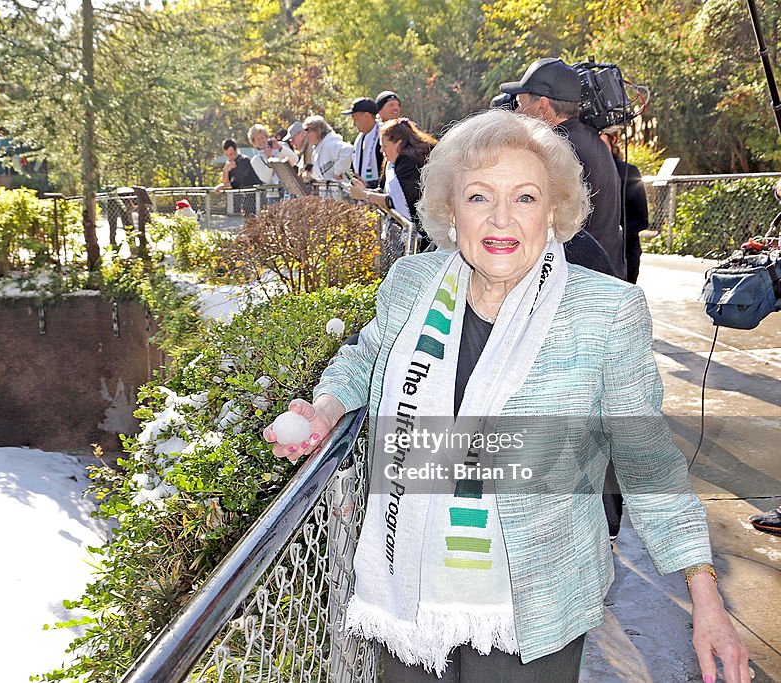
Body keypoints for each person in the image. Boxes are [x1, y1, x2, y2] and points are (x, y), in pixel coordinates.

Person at [264, 109, 749, 682]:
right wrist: (325, 409)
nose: (501, 219)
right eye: (478, 197)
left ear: (553, 210)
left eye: (524, 197)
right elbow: (365, 357)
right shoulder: (414, 285)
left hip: (534, 609)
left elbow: (647, 461)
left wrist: (705, 595)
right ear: (450, 210)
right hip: (409, 588)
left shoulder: (605, 313)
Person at [501, 58, 626, 280]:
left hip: (578, 279)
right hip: (604, 273)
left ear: (543, 106)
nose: (518, 111)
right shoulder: (592, 140)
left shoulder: (556, 150)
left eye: (521, 104)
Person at [349, 117, 436, 240]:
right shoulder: (391, 163)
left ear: (399, 143)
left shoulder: (411, 163)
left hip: (424, 233)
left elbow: (398, 200)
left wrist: (365, 195)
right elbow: (384, 190)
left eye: (384, 146)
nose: (381, 150)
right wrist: (366, 189)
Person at [601, 127, 649, 284]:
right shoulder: (584, 169)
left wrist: (616, 232)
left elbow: (642, 219)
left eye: (599, 136)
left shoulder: (629, 172)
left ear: (613, 139)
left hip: (625, 254)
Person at [344, 97, 384, 189]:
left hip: (379, 194)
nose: (354, 123)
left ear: (366, 115)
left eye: (355, 117)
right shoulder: (360, 139)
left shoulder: (384, 136)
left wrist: (369, 185)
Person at [302, 115, 354, 183]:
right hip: (328, 190)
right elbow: (323, 172)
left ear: (318, 130)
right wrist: (311, 174)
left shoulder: (330, 143)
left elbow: (348, 150)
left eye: (308, 130)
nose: (306, 135)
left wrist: (337, 173)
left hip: (340, 190)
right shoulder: (318, 148)